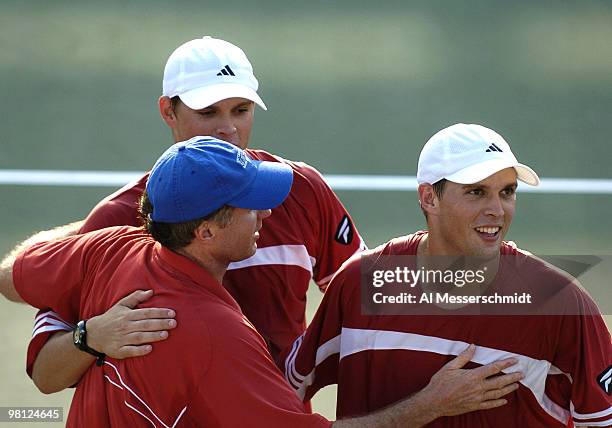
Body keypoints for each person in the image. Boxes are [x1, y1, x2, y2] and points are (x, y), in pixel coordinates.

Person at [3, 137, 524, 427]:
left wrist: (85, 334)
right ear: (206, 230)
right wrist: (428, 405)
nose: (268, 211)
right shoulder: (213, 334)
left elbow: (19, 269)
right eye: (250, 203)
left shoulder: (109, 247)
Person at [0, 36, 367, 393]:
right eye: (208, 112)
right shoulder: (118, 220)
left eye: (241, 110)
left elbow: (370, 295)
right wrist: (91, 336)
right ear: (167, 111)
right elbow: (47, 375)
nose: (229, 129)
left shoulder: (299, 188)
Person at [283, 124, 612, 427]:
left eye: (507, 192)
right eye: (476, 192)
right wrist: (425, 406)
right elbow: (283, 398)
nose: (497, 210)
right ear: (429, 198)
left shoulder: (560, 301)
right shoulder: (360, 283)